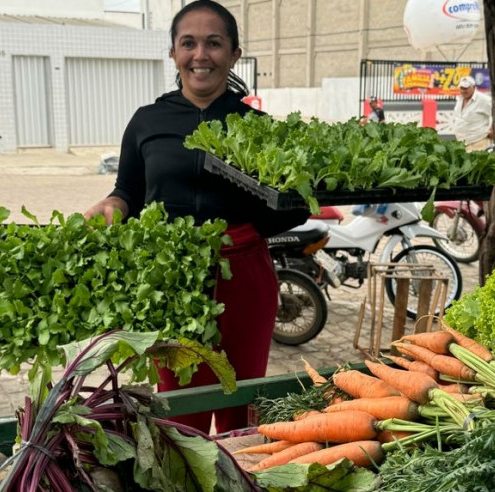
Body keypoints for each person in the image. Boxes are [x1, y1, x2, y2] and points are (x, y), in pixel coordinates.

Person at [83, 0, 307, 434]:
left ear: (235, 54)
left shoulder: (256, 126)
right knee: (177, 407)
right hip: (169, 283)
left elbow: (285, 209)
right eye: (188, 43)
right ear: (173, 54)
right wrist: (112, 208)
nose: (200, 55)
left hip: (242, 277)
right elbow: (127, 191)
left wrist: (266, 219)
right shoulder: (148, 121)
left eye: (214, 43)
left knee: (241, 403)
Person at [452, 75, 493, 151]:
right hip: (463, 144)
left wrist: (493, 129)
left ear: (473, 87)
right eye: (462, 88)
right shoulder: (460, 99)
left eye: (466, 88)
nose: (464, 91)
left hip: (479, 143)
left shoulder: (483, 99)